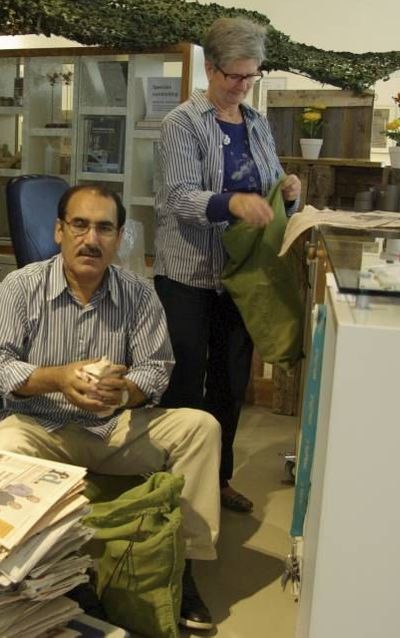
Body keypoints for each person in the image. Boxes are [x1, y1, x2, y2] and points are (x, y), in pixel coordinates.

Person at [0, 184, 222, 631]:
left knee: (200, 428)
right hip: (42, 426)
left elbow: (158, 368)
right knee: (4, 441)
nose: (91, 239)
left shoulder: (138, 293)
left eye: (105, 228)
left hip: (115, 430)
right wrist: (58, 378)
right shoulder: (21, 287)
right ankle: (45, 573)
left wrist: (124, 392)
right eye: (80, 225)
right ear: (58, 231)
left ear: (119, 236)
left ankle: (181, 567)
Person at [154, 17, 302, 514]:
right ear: (211, 68)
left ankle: (216, 480)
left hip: (241, 278)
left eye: (250, 77)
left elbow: (271, 185)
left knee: (230, 380)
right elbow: (177, 197)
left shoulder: (257, 124)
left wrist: (288, 193)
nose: (241, 87)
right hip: (189, 274)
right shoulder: (182, 123)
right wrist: (230, 204)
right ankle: (172, 484)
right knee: (184, 378)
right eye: (233, 77)